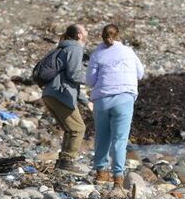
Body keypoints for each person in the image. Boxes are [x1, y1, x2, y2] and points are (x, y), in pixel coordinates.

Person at [85, 23, 145, 188]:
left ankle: (101, 173)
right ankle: (118, 177)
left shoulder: (97, 54)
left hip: (102, 100)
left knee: (102, 136)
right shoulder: (128, 52)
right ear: (119, 36)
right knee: (120, 140)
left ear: (102, 36)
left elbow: (89, 81)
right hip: (124, 99)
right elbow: (140, 74)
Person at [41, 24, 89, 173]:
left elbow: (70, 79)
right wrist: (94, 79)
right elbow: (74, 75)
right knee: (78, 128)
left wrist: (85, 101)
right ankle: (66, 162)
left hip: (50, 93)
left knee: (70, 129)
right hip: (60, 93)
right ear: (79, 35)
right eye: (85, 30)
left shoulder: (63, 48)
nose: (88, 32)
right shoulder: (75, 48)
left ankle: (63, 163)